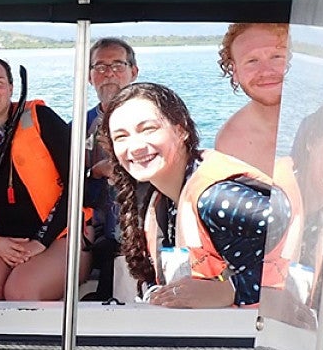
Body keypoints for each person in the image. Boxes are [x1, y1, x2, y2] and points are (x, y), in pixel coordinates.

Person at [103, 82, 290, 308]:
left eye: (148, 129)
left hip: (263, 336)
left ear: (181, 130)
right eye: (121, 137)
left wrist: (233, 289)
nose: (135, 147)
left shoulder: (217, 198)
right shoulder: (160, 199)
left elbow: (301, 240)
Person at [0, 49, 89, 301]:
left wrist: (39, 243)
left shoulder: (42, 120)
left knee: (20, 291)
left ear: (11, 88)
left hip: (59, 235)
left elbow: (78, 185)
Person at [80, 38, 140, 300]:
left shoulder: (156, 121)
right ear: (89, 76)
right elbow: (65, 184)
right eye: (100, 67)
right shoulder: (79, 128)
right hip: (93, 227)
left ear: (133, 72)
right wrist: (95, 172)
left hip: (138, 227)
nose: (109, 73)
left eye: (117, 65)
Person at [214, 23, 290, 176]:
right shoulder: (230, 144)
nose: (266, 71)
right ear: (235, 72)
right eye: (252, 61)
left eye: (276, 57)